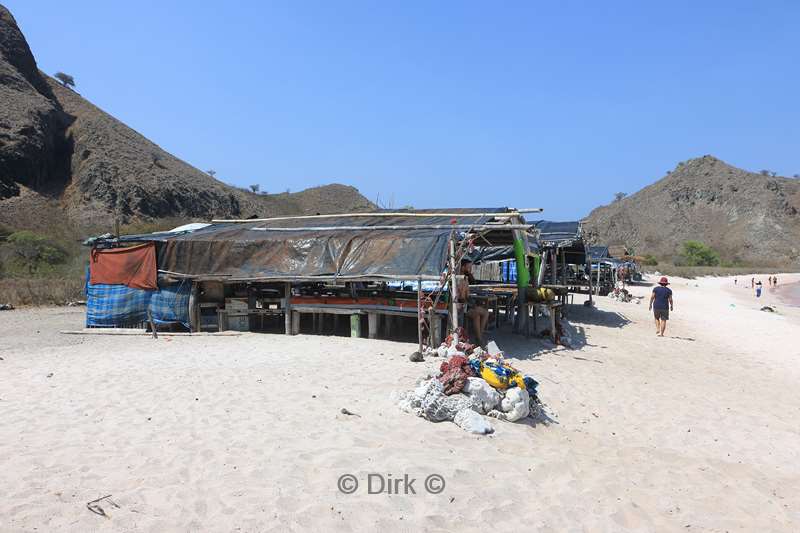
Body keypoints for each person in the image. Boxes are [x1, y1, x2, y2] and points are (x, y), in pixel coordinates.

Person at [457, 259, 489, 346]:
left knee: (486, 313)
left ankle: (479, 336)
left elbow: (467, 295)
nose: (470, 269)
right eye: (468, 267)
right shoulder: (458, 278)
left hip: (467, 304)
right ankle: (479, 339)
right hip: (461, 305)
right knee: (477, 316)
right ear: (463, 267)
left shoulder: (466, 278)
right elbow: (462, 298)